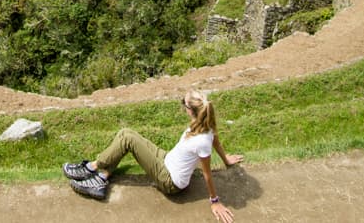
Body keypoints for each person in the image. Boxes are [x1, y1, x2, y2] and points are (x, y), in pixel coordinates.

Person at [63, 90, 243, 222]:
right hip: (167, 159)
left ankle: (91, 168)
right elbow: (216, 139)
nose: (182, 105)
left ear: (190, 110)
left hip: (170, 181)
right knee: (126, 133)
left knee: (127, 139)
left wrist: (215, 201)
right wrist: (226, 159)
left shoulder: (202, 140)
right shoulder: (203, 123)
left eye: (184, 103)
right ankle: (102, 177)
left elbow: (207, 174)